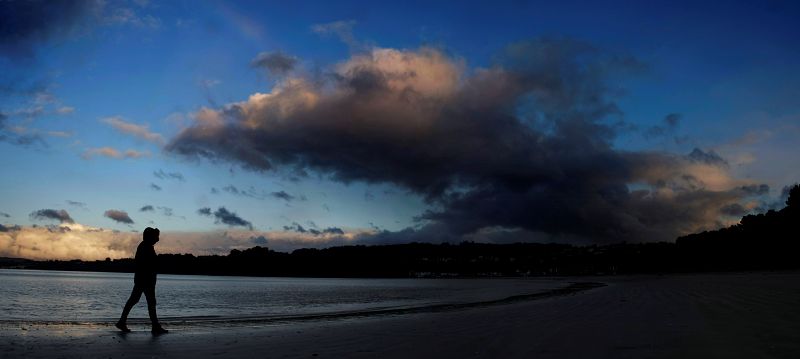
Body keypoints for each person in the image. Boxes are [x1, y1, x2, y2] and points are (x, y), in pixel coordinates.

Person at [116, 227, 168, 334]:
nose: (157, 239)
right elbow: (148, 264)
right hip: (145, 280)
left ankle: (122, 321)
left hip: (143, 279)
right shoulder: (146, 247)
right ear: (150, 237)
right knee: (149, 302)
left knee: (136, 300)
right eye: (156, 237)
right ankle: (155, 326)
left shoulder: (146, 246)